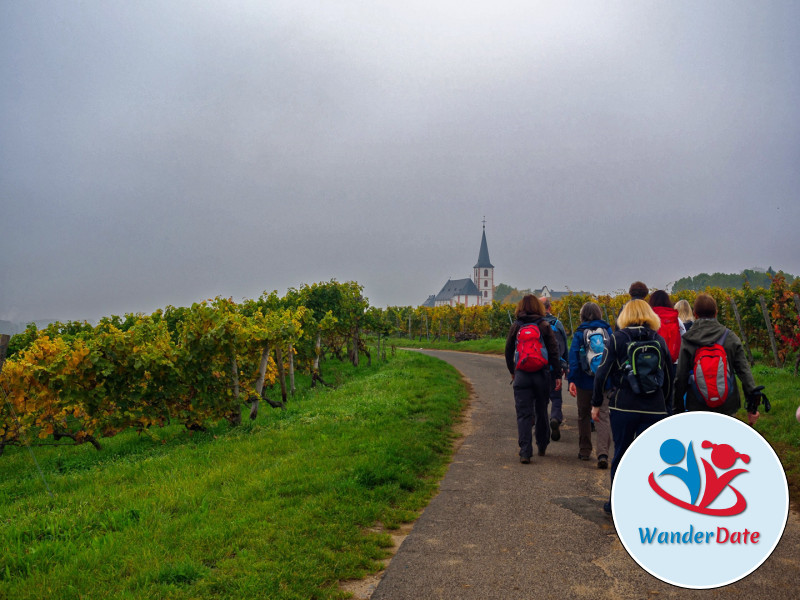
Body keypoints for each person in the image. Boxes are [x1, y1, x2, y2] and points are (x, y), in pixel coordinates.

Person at [592, 299, 674, 514]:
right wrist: (666, 406)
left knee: (621, 453)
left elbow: (602, 373)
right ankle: (646, 504)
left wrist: (596, 403)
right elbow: (668, 376)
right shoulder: (659, 339)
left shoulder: (617, 339)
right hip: (654, 407)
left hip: (624, 405)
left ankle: (616, 502)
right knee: (649, 457)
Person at [674, 293, 761, 425]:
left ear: (695, 314)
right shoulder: (730, 337)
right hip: (727, 405)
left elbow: (680, 378)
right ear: (716, 313)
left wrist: (678, 409)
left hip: (697, 404)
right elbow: (745, 373)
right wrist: (752, 408)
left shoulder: (688, 339)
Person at [505, 295, 563, 463]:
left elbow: (508, 351)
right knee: (541, 411)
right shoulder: (544, 325)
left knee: (523, 414)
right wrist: (557, 375)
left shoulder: (516, 326)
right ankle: (542, 444)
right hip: (541, 374)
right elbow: (554, 352)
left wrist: (513, 371)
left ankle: (525, 451)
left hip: (522, 374)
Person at [567, 302, 613, 468]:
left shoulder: (580, 333)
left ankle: (585, 450)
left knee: (584, 414)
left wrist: (572, 379)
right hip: (604, 382)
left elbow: (573, 358)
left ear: (582, 315)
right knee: (604, 415)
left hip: (584, 381)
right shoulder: (607, 331)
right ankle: (603, 454)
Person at [541, 297, 569, 442]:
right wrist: (565, 365)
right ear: (550, 308)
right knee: (556, 397)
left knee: (540, 399)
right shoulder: (557, 324)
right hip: (554, 365)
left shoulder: (534, 324)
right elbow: (564, 345)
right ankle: (555, 418)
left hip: (538, 367)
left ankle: (542, 425)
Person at [648, 289, 684, 364]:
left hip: (653, 362)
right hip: (673, 362)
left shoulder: (648, 320)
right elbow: (683, 336)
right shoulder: (675, 319)